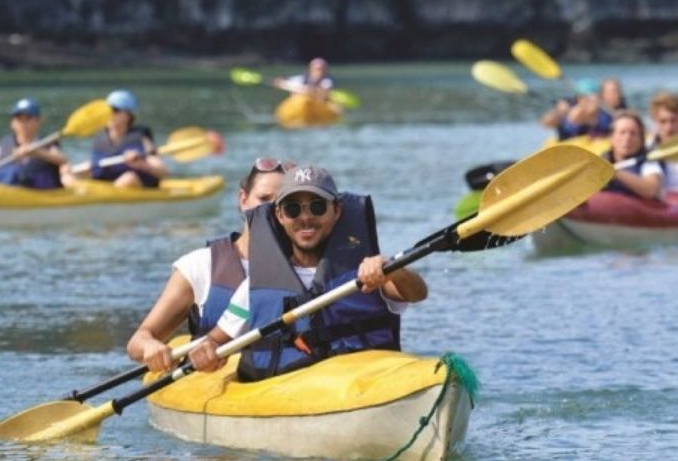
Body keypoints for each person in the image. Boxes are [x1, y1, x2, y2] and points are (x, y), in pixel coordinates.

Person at [185, 165, 428, 382]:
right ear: (280, 216)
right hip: (290, 395)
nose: (305, 217)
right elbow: (215, 341)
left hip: (365, 384)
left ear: (336, 210)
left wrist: (393, 271)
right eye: (293, 209)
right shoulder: (255, 287)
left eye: (317, 207)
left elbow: (417, 293)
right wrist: (206, 351)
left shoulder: (368, 273)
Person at [129, 159, 292, 374]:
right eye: (263, 199)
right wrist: (151, 346)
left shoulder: (306, 265)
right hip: (212, 378)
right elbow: (138, 341)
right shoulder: (199, 266)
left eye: (282, 202)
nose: (270, 209)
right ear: (243, 199)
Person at [0, 98, 67, 188]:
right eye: (19, 119)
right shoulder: (5, 144)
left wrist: (36, 152)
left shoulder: (47, 143)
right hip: (11, 192)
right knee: (10, 172)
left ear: (38, 121)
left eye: (28, 119)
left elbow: (63, 160)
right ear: (12, 123)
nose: (23, 124)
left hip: (41, 192)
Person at [84, 90, 168, 188]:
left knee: (128, 178)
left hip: (136, 184)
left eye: (114, 110)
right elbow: (93, 167)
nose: (109, 114)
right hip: (105, 184)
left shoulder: (141, 138)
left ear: (128, 115)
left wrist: (141, 164)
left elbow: (163, 171)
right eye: (106, 111)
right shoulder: (100, 137)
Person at [602, 110, 663, 200]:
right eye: (622, 132)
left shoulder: (649, 163)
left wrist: (614, 172)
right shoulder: (602, 160)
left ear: (641, 140)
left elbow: (651, 190)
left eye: (633, 133)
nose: (627, 138)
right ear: (612, 138)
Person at [542, 77, 628, 140]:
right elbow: (546, 123)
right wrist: (559, 113)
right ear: (578, 97)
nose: (617, 95)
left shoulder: (606, 110)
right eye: (583, 98)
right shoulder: (568, 106)